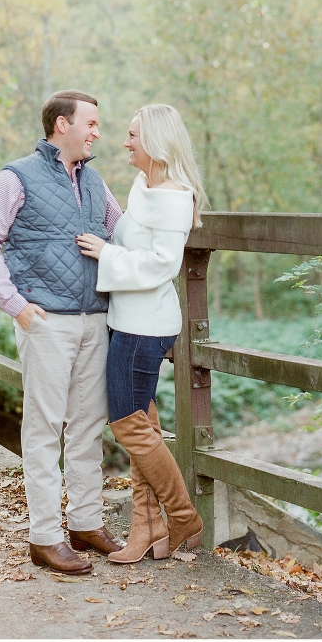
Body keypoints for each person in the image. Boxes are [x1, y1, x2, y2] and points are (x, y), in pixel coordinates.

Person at [0, 90, 126, 574]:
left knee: (86, 427)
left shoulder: (96, 181)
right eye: (91, 123)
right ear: (63, 124)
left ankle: (85, 522)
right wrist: (16, 306)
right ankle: (44, 536)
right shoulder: (16, 177)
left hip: (94, 320)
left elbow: (124, 235)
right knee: (43, 430)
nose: (97, 132)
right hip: (46, 323)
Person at [76, 103, 207, 564]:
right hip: (125, 318)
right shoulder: (142, 187)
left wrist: (104, 255)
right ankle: (146, 528)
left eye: (132, 135)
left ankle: (182, 514)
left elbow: (162, 265)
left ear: (152, 141)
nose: (125, 142)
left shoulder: (174, 197)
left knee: (126, 423)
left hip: (146, 325)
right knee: (143, 424)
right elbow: (132, 238)